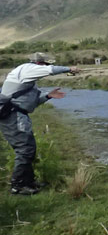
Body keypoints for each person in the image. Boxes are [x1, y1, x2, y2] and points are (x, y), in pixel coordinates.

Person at [0, 52, 79, 195]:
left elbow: (33, 103)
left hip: (18, 115)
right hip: (13, 116)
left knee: (28, 148)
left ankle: (28, 182)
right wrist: (69, 69)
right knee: (24, 149)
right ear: (40, 64)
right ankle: (18, 185)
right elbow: (50, 71)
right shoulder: (27, 69)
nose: (47, 67)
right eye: (46, 64)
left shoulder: (29, 80)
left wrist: (48, 96)